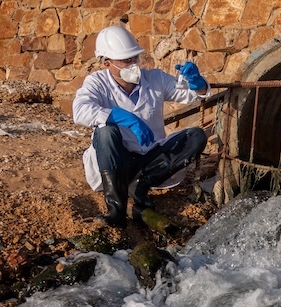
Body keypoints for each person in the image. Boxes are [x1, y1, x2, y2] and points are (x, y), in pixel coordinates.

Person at [72, 24, 210, 228]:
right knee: (105, 132)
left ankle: (141, 186)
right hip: (118, 161)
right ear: (107, 63)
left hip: (149, 159)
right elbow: (80, 110)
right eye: (125, 60)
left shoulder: (155, 79)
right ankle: (116, 209)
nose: (133, 64)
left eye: (134, 58)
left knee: (196, 136)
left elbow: (191, 95)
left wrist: (197, 83)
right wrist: (123, 117)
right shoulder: (97, 82)